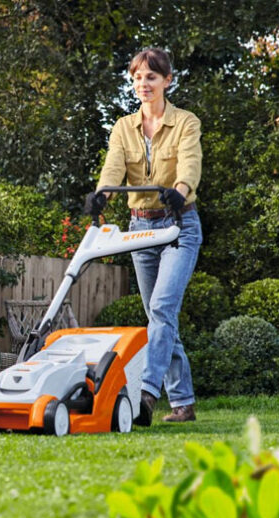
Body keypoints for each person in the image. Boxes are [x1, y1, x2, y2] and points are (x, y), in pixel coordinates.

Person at [85, 48, 203, 425]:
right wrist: (102, 192)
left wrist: (180, 189)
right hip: (140, 230)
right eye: (137, 78)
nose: (143, 84)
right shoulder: (123, 127)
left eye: (151, 77)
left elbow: (190, 163)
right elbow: (114, 165)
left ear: (167, 80)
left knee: (162, 310)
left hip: (178, 225)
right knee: (159, 317)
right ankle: (183, 403)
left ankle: (146, 394)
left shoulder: (186, 122)